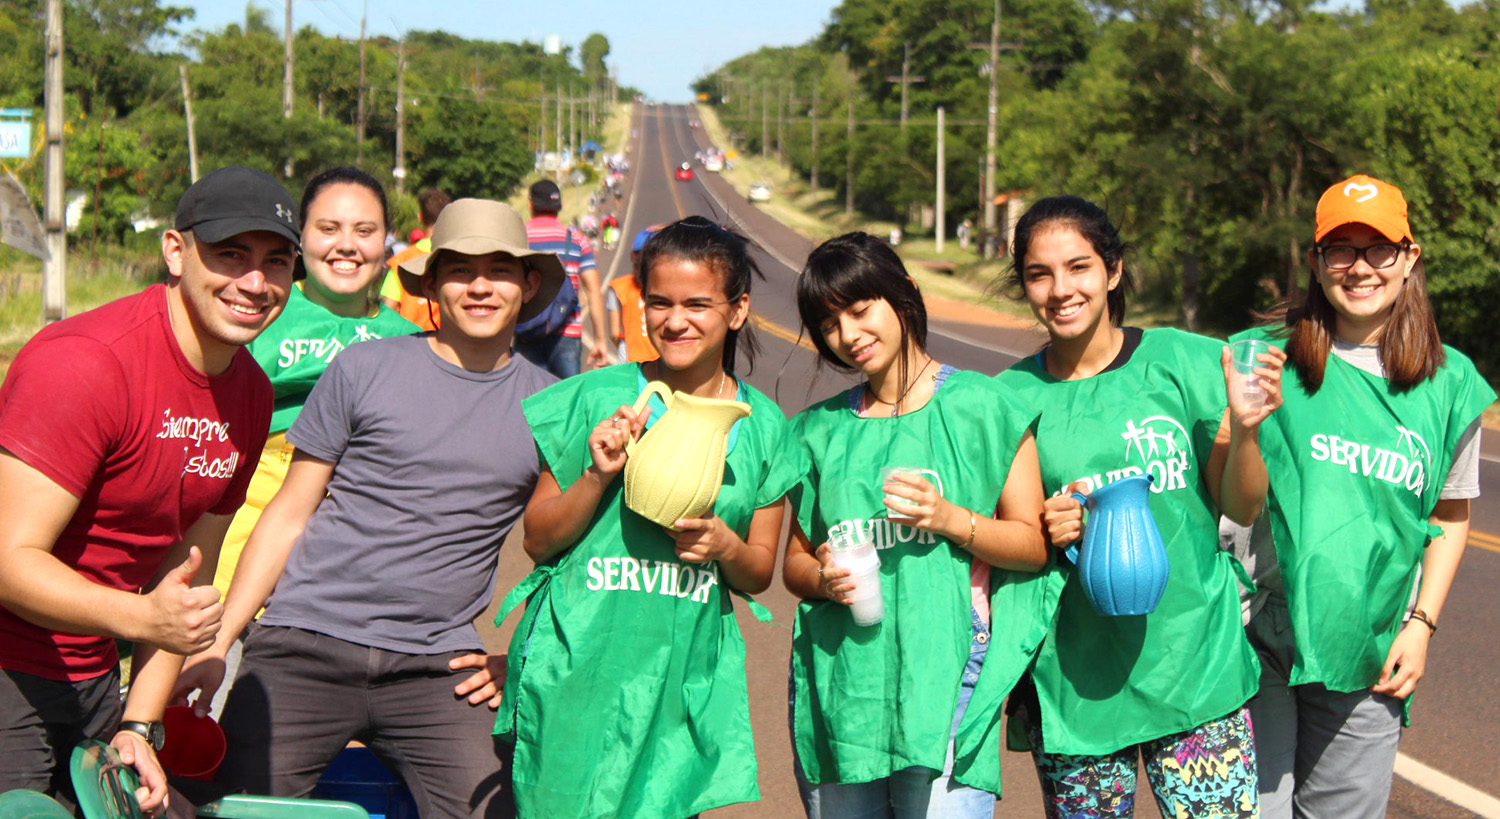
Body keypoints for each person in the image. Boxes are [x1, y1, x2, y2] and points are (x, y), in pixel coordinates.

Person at [172, 199, 562, 818]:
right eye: (460, 269)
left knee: (497, 809)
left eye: (500, 269)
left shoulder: (553, 406)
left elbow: (564, 550)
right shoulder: (366, 367)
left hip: (438, 667)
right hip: (305, 642)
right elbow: (290, 511)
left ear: (529, 283)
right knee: (226, 806)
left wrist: (518, 657)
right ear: (431, 283)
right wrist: (219, 644)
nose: (480, 286)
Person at [0, 166, 298, 814]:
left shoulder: (249, 392)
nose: (254, 282)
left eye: (276, 261)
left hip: (98, 676)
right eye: (230, 255)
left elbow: (187, 573)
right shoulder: (85, 363)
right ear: (174, 250)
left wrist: (138, 721)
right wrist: (137, 616)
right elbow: (8, 559)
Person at [496, 216, 804, 819]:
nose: (675, 320)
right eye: (659, 302)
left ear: (737, 310)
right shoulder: (593, 397)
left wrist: (724, 545)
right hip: (576, 664)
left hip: (679, 675)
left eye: (698, 304)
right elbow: (538, 540)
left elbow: (758, 571)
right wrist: (598, 473)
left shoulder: (765, 427)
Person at [994, 195, 1281, 819]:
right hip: (1077, 687)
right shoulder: (1008, 399)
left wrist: (1248, 429)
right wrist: (1047, 526)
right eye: (1039, 274)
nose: (1060, 289)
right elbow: (1004, 538)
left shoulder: (1185, 361)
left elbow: (1244, 504)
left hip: (1195, 670)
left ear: (1112, 271)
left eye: (1079, 267)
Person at [1233, 175, 1493, 819]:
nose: (1359, 268)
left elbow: (1450, 516)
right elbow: (1228, 502)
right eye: (1339, 249)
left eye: (1378, 249)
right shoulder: (1262, 359)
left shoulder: (1450, 383)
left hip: (1370, 644)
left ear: (1410, 257)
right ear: (1315, 263)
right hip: (1255, 633)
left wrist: (1421, 625)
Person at [783, 232, 1050, 818]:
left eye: (860, 310)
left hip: (947, 681)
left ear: (902, 294)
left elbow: (1032, 546)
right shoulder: (816, 431)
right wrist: (824, 579)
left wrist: (950, 518)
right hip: (845, 687)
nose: (849, 335)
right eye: (829, 325)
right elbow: (794, 566)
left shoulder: (984, 407)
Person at [206, 167, 421, 717]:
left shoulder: (409, 339)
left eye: (365, 231)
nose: (347, 245)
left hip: (352, 537)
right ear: (302, 238)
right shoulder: (260, 307)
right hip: (247, 515)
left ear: (387, 242)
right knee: (210, 680)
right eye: (329, 228)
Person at [517, 179, 610, 377]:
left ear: (530, 204)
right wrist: (600, 340)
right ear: (559, 206)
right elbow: (593, 291)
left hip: (525, 331)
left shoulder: (518, 238)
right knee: (569, 401)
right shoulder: (576, 239)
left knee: (528, 402)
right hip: (567, 334)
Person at [379, 188, 452, 331]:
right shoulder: (456, 257)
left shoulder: (400, 260)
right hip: (447, 345)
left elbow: (389, 308)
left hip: (408, 343)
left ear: (420, 217)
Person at [604, 225, 662, 364]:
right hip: (662, 361)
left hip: (631, 360)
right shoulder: (667, 286)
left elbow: (614, 333)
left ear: (632, 256)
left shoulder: (619, 287)